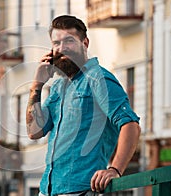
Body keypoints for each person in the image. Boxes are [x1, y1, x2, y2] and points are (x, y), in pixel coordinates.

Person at [26, 15, 140, 196]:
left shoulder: (99, 79)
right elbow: (34, 131)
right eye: (56, 43)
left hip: (79, 190)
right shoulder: (58, 87)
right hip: (47, 190)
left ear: (85, 43)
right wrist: (36, 85)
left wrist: (115, 170)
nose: (62, 48)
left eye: (69, 41)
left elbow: (131, 125)